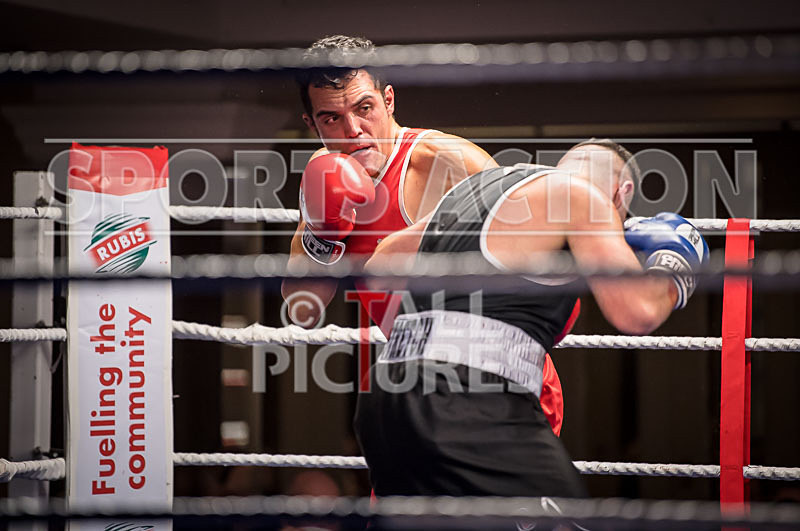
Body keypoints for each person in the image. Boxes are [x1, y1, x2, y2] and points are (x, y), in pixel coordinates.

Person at [352, 139, 709, 497]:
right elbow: (638, 312)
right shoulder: (584, 197)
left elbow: (378, 266)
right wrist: (673, 268)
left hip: (386, 398)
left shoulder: (475, 189)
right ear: (622, 191)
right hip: (465, 401)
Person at [280, 35, 572, 434]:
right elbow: (303, 308)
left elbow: (544, 261)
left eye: (364, 108)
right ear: (311, 123)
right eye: (332, 118)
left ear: (389, 100)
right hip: (415, 386)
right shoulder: (322, 172)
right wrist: (323, 232)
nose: (354, 130)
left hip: (502, 385)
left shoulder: (448, 162)